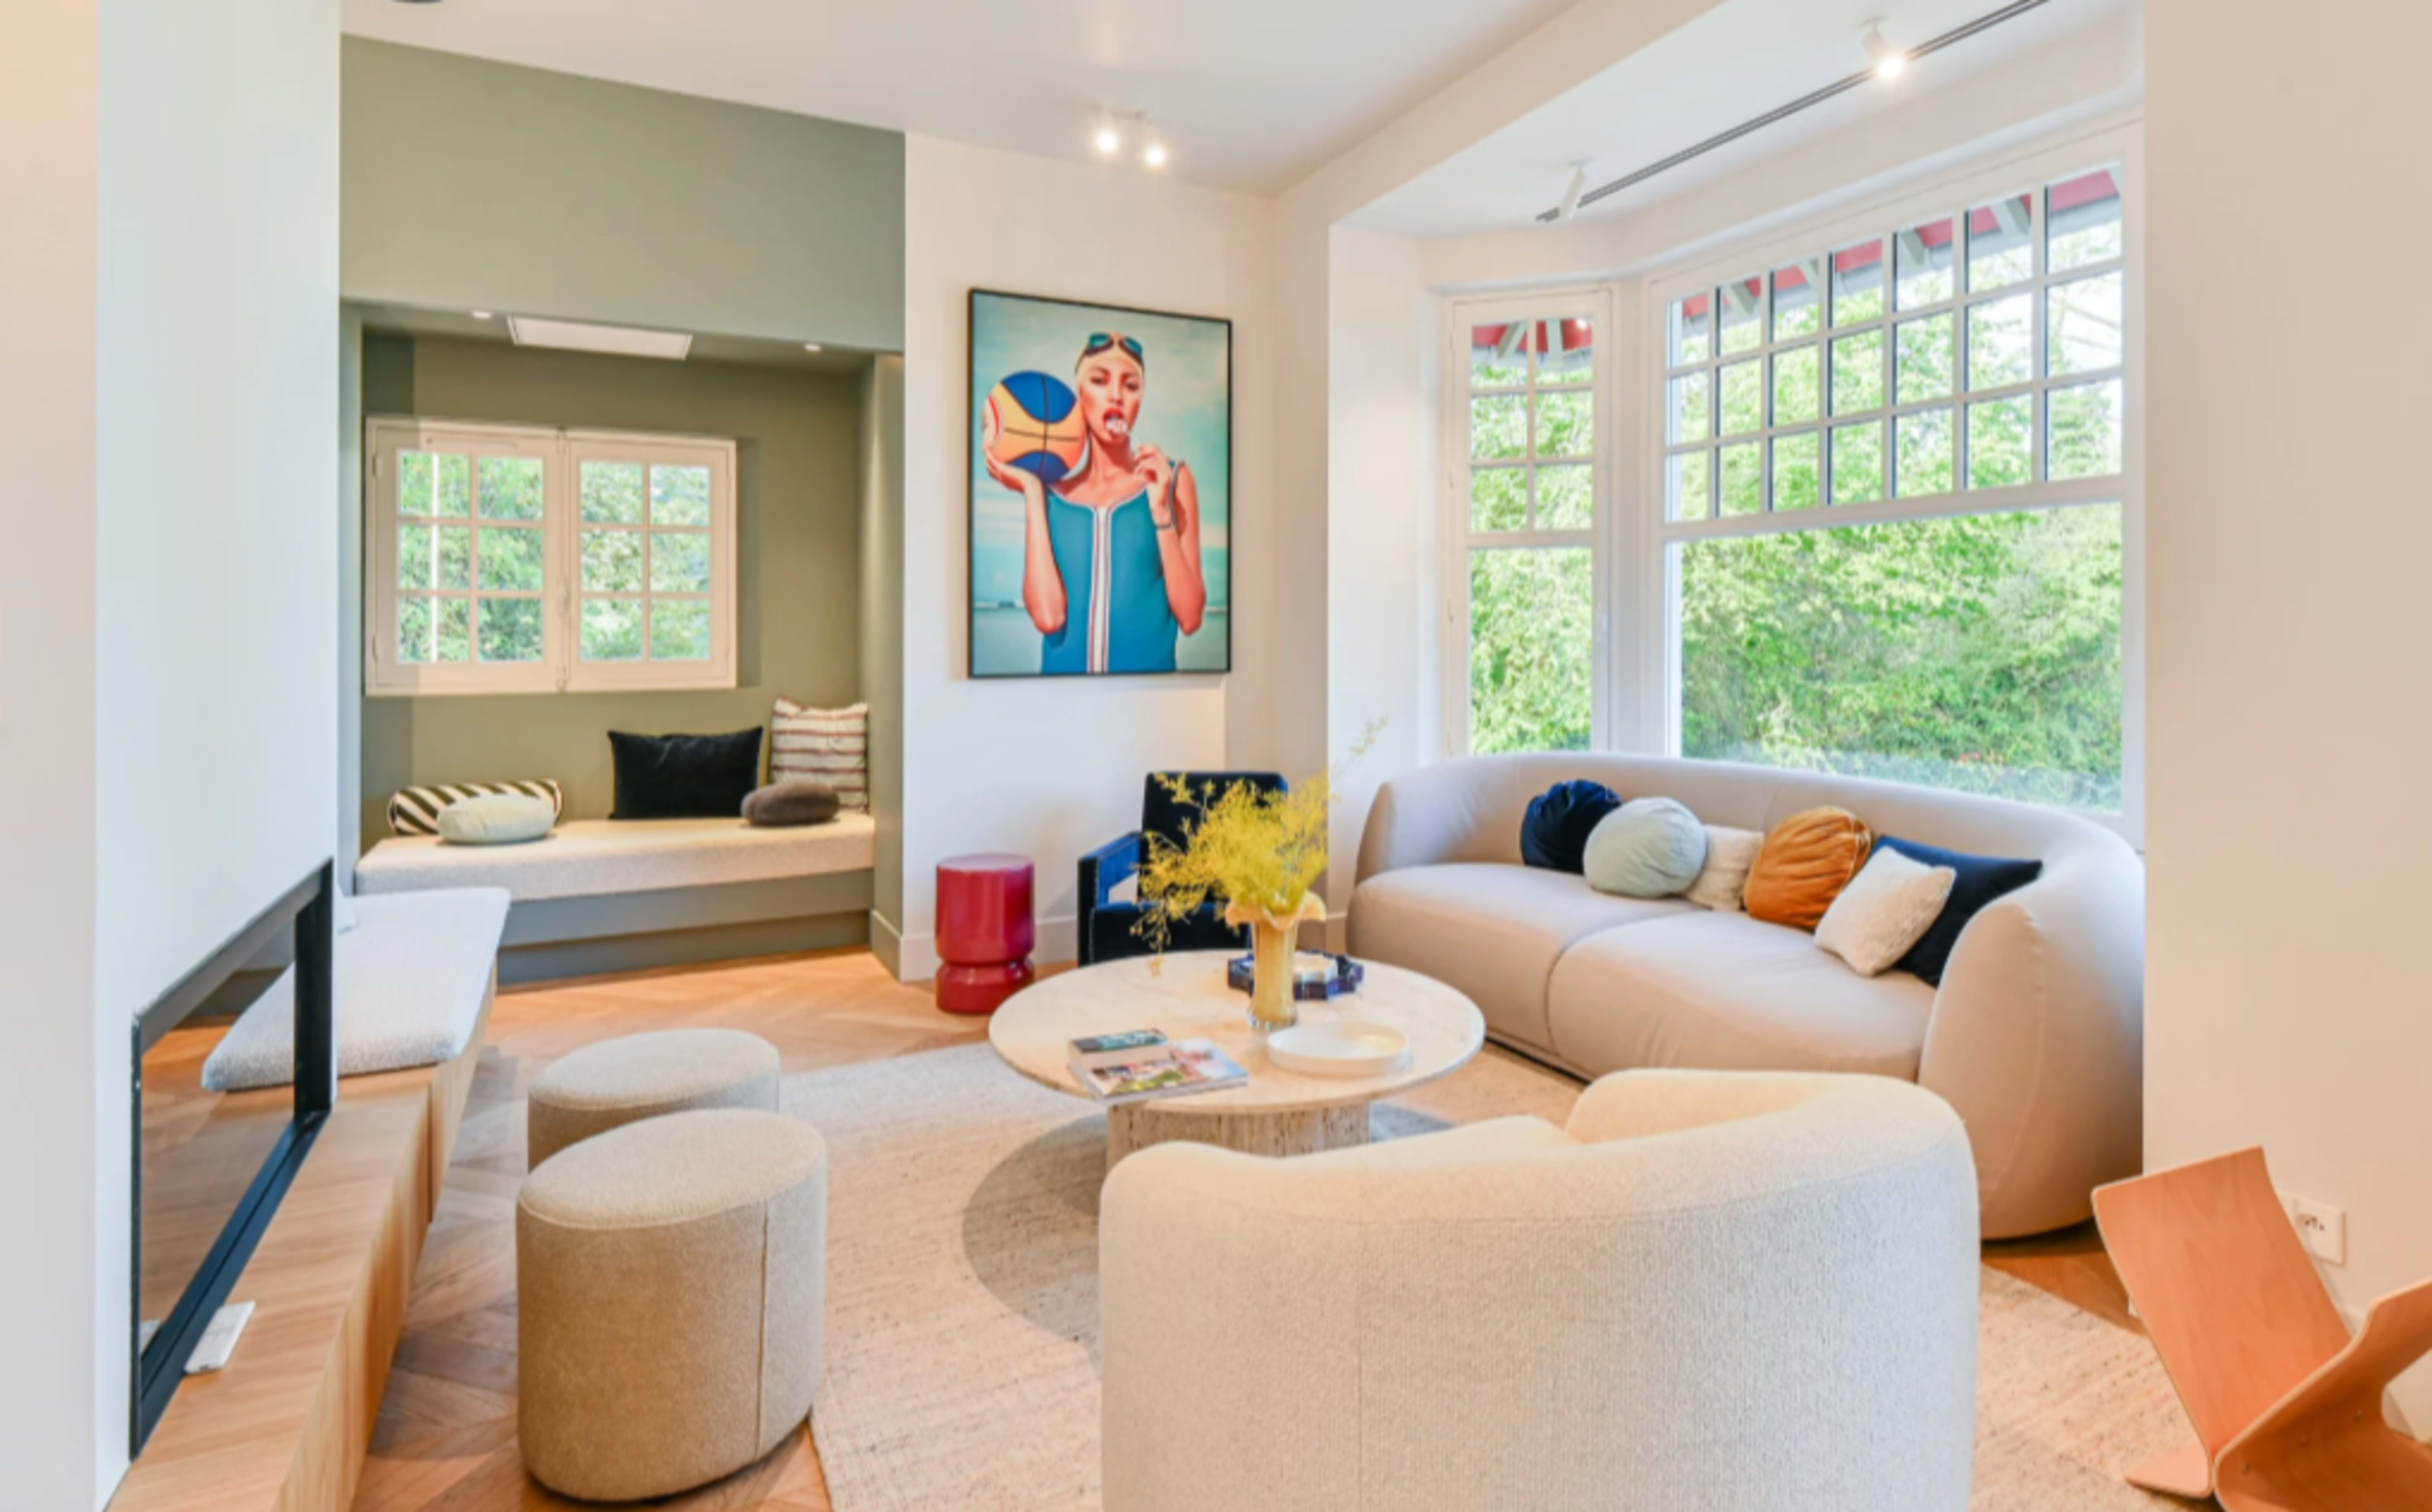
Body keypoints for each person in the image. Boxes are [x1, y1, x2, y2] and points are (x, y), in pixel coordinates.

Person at [983, 331, 1206, 674]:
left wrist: (1161, 513)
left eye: (1131, 386)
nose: (1116, 395)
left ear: (1141, 399)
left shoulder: (1173, 480)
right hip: (1063, 709)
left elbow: (1190, 618)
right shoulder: (1051, 495)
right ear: (1079, 396)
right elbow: (1048, 616)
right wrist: (1032, 491)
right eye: (1100, 381)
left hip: (1148, 707)